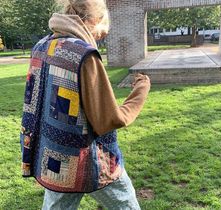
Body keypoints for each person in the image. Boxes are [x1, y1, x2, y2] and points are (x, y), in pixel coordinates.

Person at [20, 0, 151, 209]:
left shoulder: (42, 47)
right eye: (102, 29)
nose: (102, 35)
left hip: (53, 159)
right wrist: (142, 88)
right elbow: (108, 120)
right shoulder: (84, 55)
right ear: (95, 20)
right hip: (91, 162)